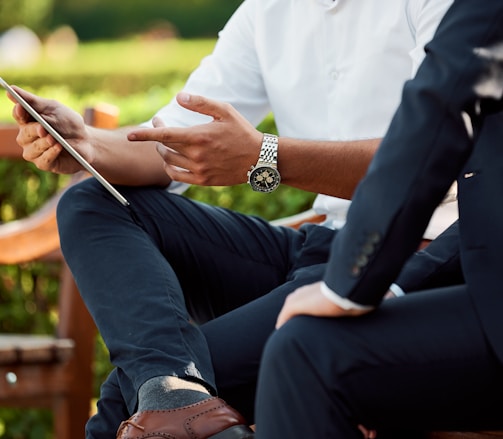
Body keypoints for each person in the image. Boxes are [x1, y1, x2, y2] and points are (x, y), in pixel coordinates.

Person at [7, 0, 454, 437]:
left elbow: (434, 155)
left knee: (128, 404)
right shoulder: (267, 11)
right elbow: (173, 141)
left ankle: (172, 396)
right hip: (319, 246)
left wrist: (268, 156)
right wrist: (86, 143)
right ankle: (175, 393)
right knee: (91, 203)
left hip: (413, 259)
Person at [253, 0, 503, 437]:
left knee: (304, 354)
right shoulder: (263, 13)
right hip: (330, 251)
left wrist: (348, 284)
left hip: (440, 277)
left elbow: (441, 105)